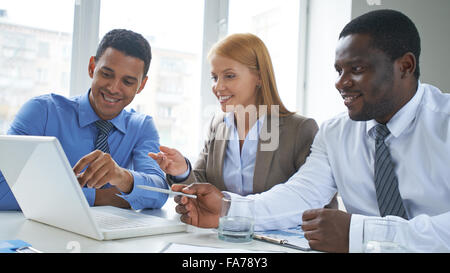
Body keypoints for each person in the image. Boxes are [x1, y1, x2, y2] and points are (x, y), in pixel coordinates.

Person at [171, 10, 450, 253]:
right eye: (338, 70)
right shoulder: (335, 132)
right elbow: (299, 196)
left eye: (356, 69)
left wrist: (363, 234)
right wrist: (227, 211)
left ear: (405, 66)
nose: (341, 83)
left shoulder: (444, 122)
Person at [149, 33, 335, 206]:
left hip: (275, 239)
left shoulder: (299, 130)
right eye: (214, 77)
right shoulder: (218, 125)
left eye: (229, 76)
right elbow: (201, 185)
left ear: (260, 77)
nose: (218, 86)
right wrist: (182, 171)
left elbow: (318, 201)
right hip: (221, 236)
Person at [0, 29, 169, 210]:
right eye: (106, 74)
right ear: (92, 67)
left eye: (127, 82)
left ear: (141, 85)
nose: (113, 88)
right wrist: (101, 197)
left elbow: (159, 192)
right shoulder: (42, 111)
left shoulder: (141, 127)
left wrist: (122, 177)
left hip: (110, 235)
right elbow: (2, 188)